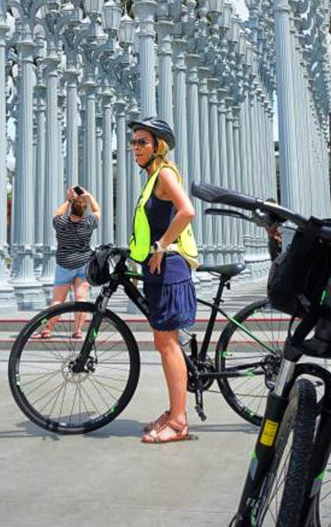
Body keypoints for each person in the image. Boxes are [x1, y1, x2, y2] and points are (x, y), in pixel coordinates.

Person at [127, 116, 198, 444]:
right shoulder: (154, 176)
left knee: (168, 344)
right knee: (163, 342)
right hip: (158, 268)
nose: (135, 147)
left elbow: (187, 211)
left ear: (158, 146)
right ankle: (173, 412)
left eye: (142, 141)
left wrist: (162, 245)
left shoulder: (165, 175)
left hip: (169, 268)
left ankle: (179, 421)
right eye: (134, 142)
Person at [33, 186, 100, 340]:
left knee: (57, 301)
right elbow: (97, 212)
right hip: (83, 264)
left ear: (72, 208)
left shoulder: (61, 223)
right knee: (81, 297)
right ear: (84, 210)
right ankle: (77, 331)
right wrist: (89, 197)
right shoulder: (88, 223)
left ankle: (47, 330)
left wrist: (69, 200)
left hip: (64, 265)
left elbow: (57, 213)